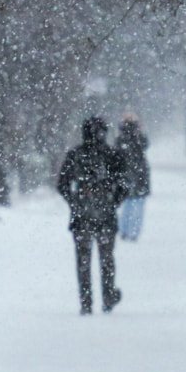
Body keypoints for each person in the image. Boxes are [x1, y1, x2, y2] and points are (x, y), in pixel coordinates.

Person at [57, 116, 128, 315]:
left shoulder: (75, 155)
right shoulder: (113, 155)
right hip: (105, 214)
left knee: (83, 260)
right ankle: (107, 297)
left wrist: (75, 201)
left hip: (82, 216)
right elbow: (124, 185)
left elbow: (62, 185)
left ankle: (86, 302)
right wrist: (112, 202)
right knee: (106, 258)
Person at [115, 115, 150, 242]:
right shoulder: (139, 139)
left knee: (126, 205)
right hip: (140, 176)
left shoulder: (120, 140)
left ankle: (124, 230)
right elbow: (145, 144)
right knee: (138, 205)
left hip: (125, 175)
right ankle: (134, 232)